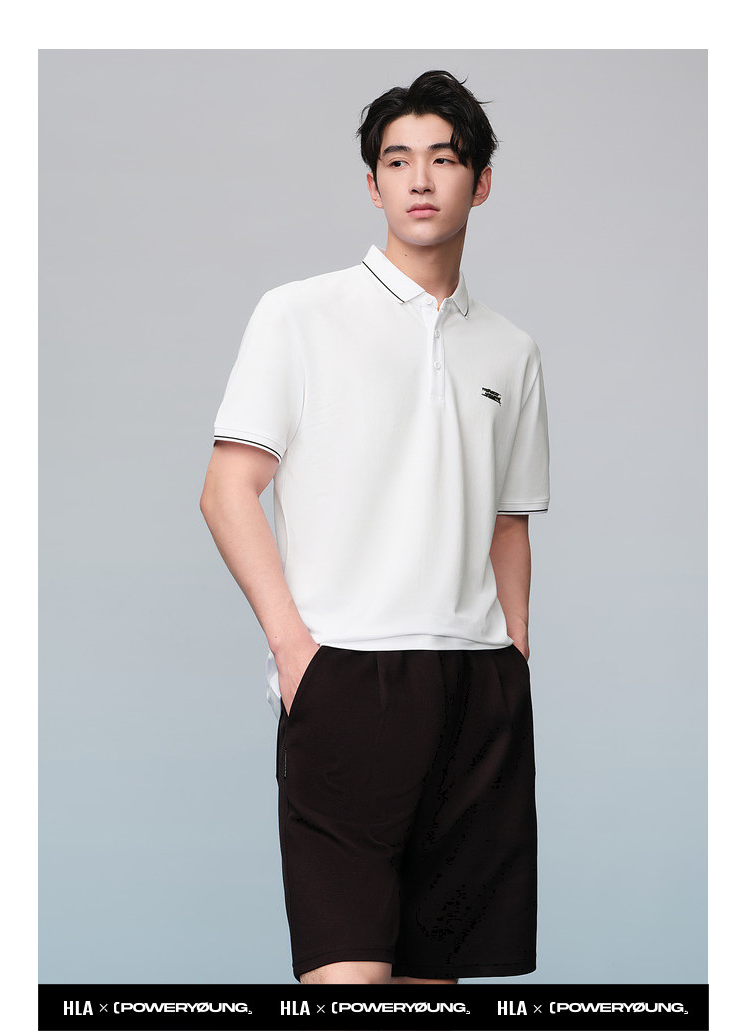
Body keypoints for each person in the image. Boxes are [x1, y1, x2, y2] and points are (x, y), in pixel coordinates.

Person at [199, 69, 550, 986]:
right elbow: (228, 490)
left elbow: (507, 518)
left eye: (444, 158)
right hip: (346, 675)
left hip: (476, 687)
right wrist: (295, 652)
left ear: (481, 181)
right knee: (346, 980)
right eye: (398, 161)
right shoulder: (299, 314)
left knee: (435, 985)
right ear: (373, 184)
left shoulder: (510, 349)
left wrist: (515, 652)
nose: (420, 179)